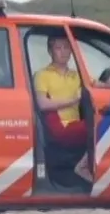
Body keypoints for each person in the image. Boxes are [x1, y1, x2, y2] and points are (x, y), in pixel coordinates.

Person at [33, 34, 95, 184]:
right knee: (98, 128)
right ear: (50, 51)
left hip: (75, 125)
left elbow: (103, 88)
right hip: (59, 127)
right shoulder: (42, 75)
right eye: (58, 48)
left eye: (67, 47)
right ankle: (83, 166)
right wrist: (73, 100)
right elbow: (42, 103)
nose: (63, 51)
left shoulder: (77, 75)